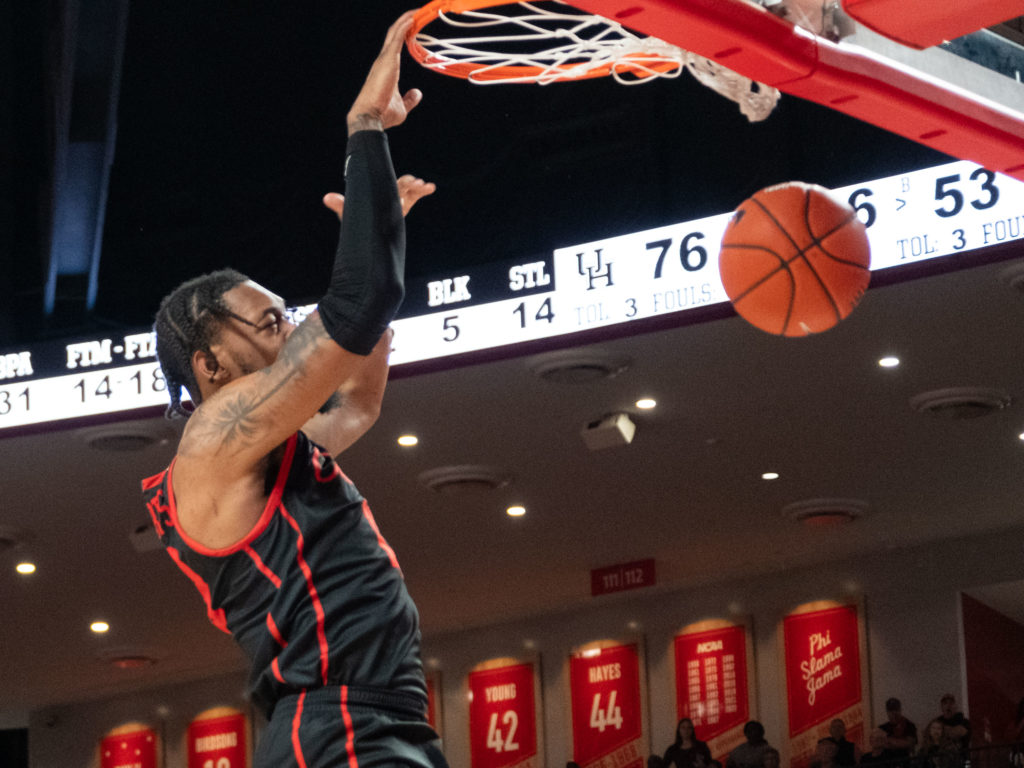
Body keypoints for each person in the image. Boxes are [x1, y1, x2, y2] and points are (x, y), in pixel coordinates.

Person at [141, 12, 442, 768]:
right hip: (335, 725)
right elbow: (359, 303)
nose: (290, 331)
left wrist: (382, 226)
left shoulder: (275, 448)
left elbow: (361, 401)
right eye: (271, 320)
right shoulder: (210, 443)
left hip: (380, 719)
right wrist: (365, 128)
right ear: (208, 365)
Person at [881, 698, 919, 763]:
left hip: (905, 761)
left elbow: (910, 744)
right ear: (887, 712)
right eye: (891, 710)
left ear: (900, 710)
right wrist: (900, 742)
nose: (894, 713)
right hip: (887, 762)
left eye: (896, 709)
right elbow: (880, 744)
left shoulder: (909, 725)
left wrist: (889, 740)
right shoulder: (882, 728)